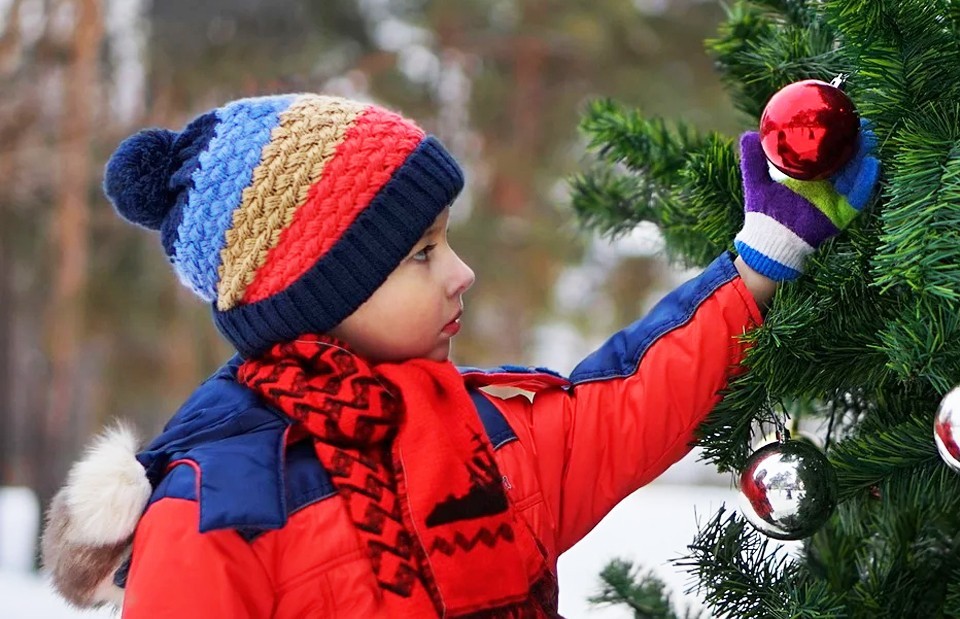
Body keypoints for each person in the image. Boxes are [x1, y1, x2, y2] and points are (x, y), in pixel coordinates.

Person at [40, 93, 879, 618]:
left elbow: (625, 404)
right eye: (421, 254)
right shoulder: (215, 507)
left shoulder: (480, 431)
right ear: (318, 294)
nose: (462, 273)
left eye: (448, 242)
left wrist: (762, 258)